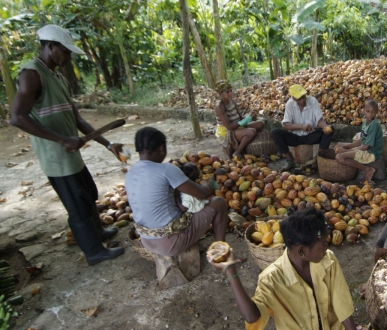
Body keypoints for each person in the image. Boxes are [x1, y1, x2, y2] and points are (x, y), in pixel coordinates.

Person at [207, 208, 387, 330]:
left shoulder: (327, 260)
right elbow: (253, 316)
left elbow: (342, 305)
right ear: (302, 250)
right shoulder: (271, 279)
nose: (326, 247)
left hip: (333, 328)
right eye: (322, 244)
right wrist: (230, 271)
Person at [10, 24, 124, 265]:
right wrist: (62, 138)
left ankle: (99, 233)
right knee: (77, 205)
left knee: (89, 194)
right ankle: (94, 252)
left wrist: (107, 143)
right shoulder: (31, 74)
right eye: (66, 51)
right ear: (50, 46)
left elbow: (77, 119)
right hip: (56, 157)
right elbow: (17, 117)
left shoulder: (57, 77)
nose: (69, 57)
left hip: (71, 155)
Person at [125, 127, 229, 257]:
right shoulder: (166, 169)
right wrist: (209, 184)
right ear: (162, 148)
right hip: (171, 243)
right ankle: (220, 253)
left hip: (146, 241)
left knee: (180, 205)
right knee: (218, 202)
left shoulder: (130, 173)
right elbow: (202, 193)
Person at [271, 84, 334, 172]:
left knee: (330, 130)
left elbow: (319, 121)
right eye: (299, 99)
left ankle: (317, 159)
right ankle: (290, 159)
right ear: (293, 98)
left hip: (310, 136)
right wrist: (300, 126)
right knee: (275, 132)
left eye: (303, 97)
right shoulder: (290, 104)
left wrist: (325, 127)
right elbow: (285, 125)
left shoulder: (313, 101)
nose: (303, 100)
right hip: (295, 137)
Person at [335, 99, 383, 183]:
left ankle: (367, 169)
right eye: (368, 111)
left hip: (371, 153)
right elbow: (360, 140)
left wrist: (348, 150)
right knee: (339, 144)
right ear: (364, 110)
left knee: (339, 157)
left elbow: (366, 146)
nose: (370, 114)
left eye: (373, 112)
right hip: (364, 148)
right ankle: (366, 168)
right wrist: (347, 146)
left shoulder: (374, 125)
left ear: (376, 112)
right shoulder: (365, 122)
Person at [214, 80, 264, 158]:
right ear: (221, 93)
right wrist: (243, 122)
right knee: (251, 132)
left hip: (237, 126)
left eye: (231, 91)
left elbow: (240, 118)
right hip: (227, 131)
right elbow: (229, 127)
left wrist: (251, 117)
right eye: (227, 92)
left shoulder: (232, 101)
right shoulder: (219, 106)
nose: (230, 93)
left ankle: (248, 145)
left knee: (260, 123)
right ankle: (237, 152)